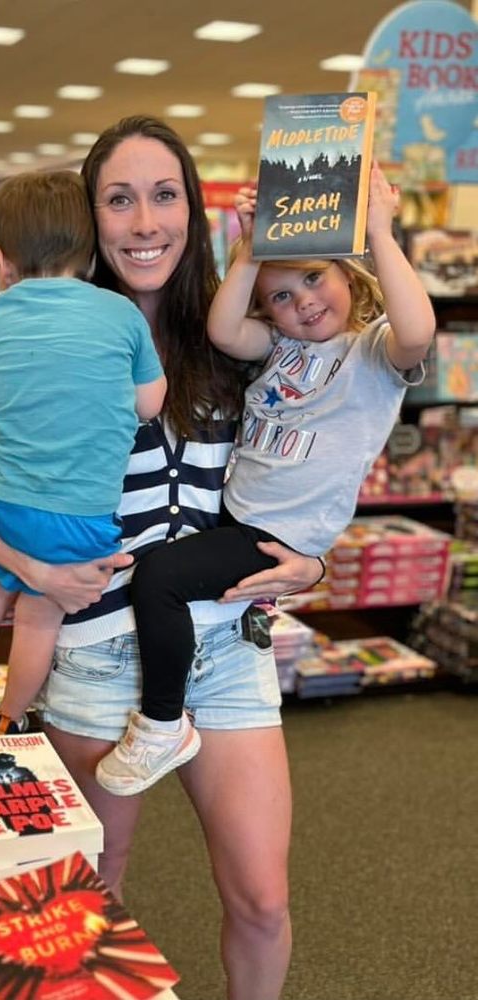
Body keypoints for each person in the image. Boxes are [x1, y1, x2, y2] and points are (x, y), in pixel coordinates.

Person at [0, 115, 325, 1000]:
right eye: (120, 199)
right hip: (94, 647)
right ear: (88, 218)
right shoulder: (41, 340)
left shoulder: (238, 340)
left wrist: (310, 566)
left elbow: (304, 479)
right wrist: (33, 570)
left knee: (262, 897)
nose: (145, 223)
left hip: (222, 651)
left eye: (165, 196)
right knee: (95, 891)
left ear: (193, 213)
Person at [96, 164, 436, 796]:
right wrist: (251, 249)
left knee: (162, 580)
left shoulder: (373, 353)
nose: (303, 301)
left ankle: (163, 721)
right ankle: (182, 703)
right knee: (180, 586)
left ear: (348, 276)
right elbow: (223, 329)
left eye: (314, 278)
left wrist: (382, 235)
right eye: (282, 295)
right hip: (238, 516)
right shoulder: (280, 345)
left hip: (278, 531)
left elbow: (418, 331)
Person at [0, 169, 166, 734]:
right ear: (92, 252)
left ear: (1, 260)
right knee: (39, 619)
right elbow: (149, 402)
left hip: (3, 498)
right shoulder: (123, 315)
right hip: (82, 508)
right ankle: (9, 715)